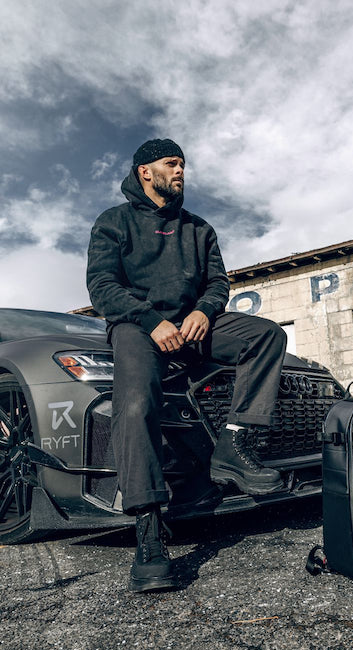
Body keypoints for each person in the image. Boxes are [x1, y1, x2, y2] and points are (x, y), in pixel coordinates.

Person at [86, 138, 288, 593]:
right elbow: (101, 287)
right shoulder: (113, 223)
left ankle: (232, 447)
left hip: (194, 328)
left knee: (266, 335)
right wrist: (151, 321)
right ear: (144, 171)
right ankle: (150, 531)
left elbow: (218, 282)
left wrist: (204, 310)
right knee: (135, 406)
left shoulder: (199, 229)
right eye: (171, 163)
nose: (180, 171)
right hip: (138, 329)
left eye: (182, 165)